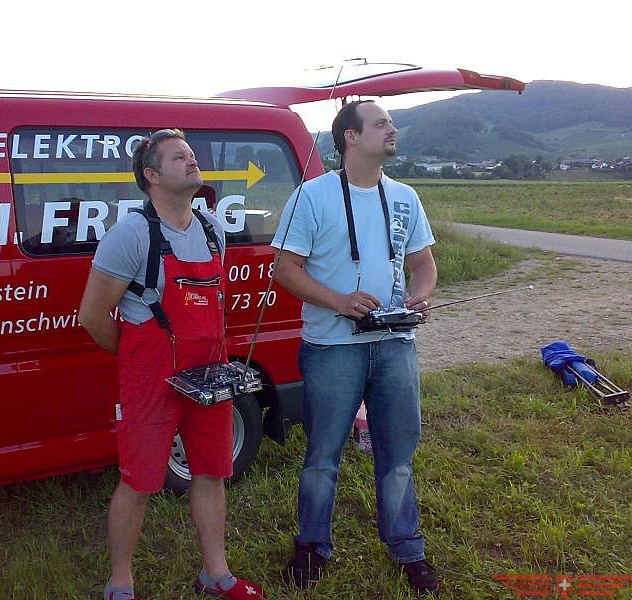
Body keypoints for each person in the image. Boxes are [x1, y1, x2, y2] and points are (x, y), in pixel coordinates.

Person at [79, 129, 264, 600]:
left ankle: (216, 575)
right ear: (152, 176)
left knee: (212, 472)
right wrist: (137, 358)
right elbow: (93, 316)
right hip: (153, 378)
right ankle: (121, 583)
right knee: (139, 482)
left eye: (191, 155)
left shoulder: (212, 228)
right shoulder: (130, 235)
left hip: (210, 374)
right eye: (179, 157)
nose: (192, 161)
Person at [272, 100, 439, 596]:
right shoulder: (312, 195)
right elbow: (285, 270)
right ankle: (311, 547)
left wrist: (419, 297)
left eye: (391, 122)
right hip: (332, 347)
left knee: (398, 453)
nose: (392, 129)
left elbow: (423, 264)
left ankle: (408, 549)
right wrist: (340, 302)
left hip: (395, 344)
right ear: (350, 136)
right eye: (381, 123)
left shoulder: (405, 196)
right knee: (323, 454)